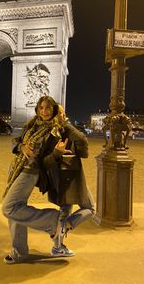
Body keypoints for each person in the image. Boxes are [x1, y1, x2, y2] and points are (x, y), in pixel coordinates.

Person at [2, 96, 73, 264]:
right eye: (41, 108)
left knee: (9, 207)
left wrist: (57, 153)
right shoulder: (32, 125)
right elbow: (16, 141)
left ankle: (53, 220)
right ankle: (19, 252)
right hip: (17, 168)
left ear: (54, 110)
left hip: (31, 172)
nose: (44, 111)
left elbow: (47, 161)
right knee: (17, 209)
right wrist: (22, 147)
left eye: (48, 108)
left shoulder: (56, 131)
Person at [38, 104, 95, 256]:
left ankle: (58, 241)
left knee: (65, 209)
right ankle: (62, 228)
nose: (64, 115)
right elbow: (82, 140)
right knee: (89, 208)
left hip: (62, 174)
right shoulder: (63, 129)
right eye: (61, 113)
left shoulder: (48, 130)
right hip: (67, 174)